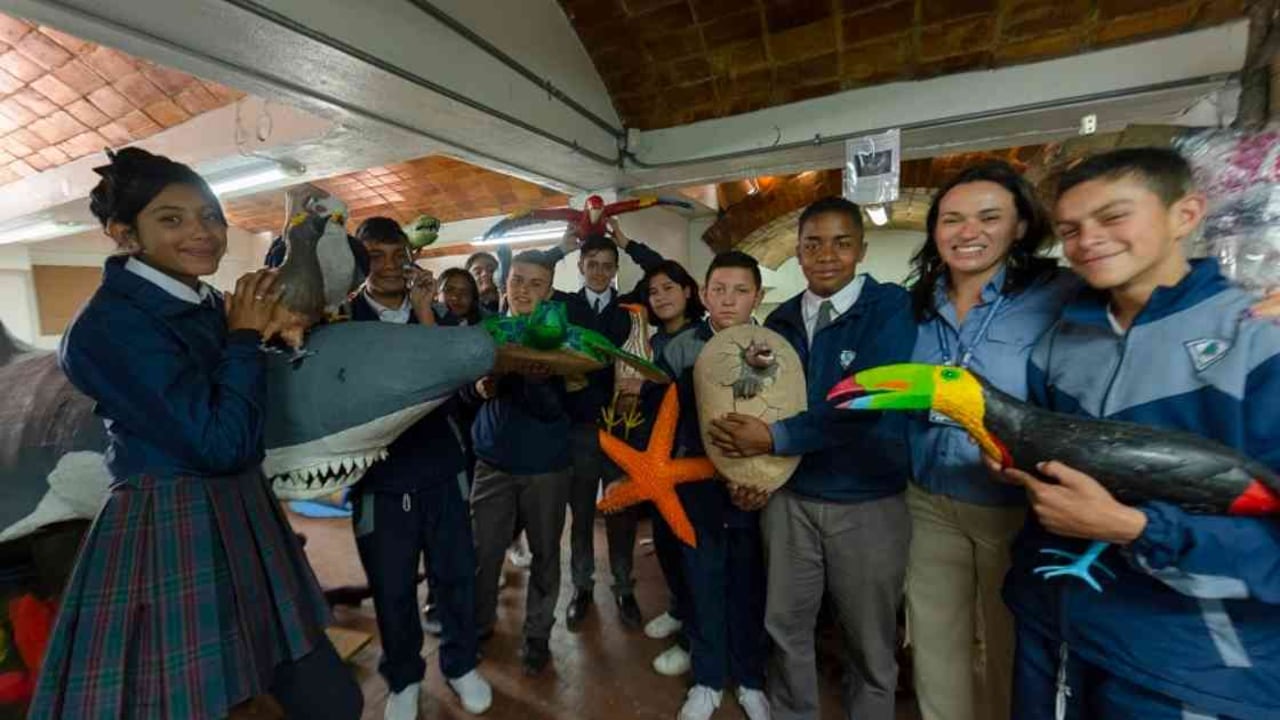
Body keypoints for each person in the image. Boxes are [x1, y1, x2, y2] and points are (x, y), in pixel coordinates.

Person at [31, 147, 362, 720]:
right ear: (125, 235)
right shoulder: (105, 327)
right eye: (172, 218)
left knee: (329, 697)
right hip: (169, 519)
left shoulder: (206, 301)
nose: (202, 232)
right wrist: (244, 338)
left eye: (211, 215)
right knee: (196, 700)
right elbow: (219, 443)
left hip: (244, 507)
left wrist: (267, 335)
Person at [1001, 148, 1280, 719]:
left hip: (1188, 662)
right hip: (1057, 629)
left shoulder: (1258, 334)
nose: (1088, 240)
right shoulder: (1062, 340)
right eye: (1070, 230)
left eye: (1113, 217)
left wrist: (1134, 528)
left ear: (1185, 214)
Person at [709, 197, 916, 720]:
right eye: (812, 244)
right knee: (786, 627)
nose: (826, 255)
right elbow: (758, 405)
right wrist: (749, 474)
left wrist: (772, 439)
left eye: (841, 243)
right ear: (797, 252)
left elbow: (866, 401)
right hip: (791, 497)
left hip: (867, 501)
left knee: (869, 640)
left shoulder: (890, 308)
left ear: (861, 249)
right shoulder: (779, 322)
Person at [901, 162, 1072, 720]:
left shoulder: (1058, 294)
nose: (967, 232)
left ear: (1020, 226)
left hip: (1014, 504)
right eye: (951, 219)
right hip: (927, 499)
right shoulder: (916, 303)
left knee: (1010, 643)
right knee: (934, 640)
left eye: (988, 217)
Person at [345, 215, 492, 719]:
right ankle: (404, 678)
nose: (389, 266)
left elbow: (458, 390)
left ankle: (461, 664)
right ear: (359, 262)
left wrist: (427, 313)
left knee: (456, 577)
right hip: (379, 482)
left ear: (411, 258)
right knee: (391, 587)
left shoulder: (440, 318)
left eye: (397, 255)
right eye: (375, 256)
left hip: (442, 472)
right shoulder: (340, 322)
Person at [658, 251, 769, 720]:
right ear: (703, 295)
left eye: (740, 291)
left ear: (757, 297)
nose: (728, 300)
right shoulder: (680, 349)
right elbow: (664, 423)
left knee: (748, 586)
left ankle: (749, 680)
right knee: (701, 584)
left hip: (755, 490)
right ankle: (706, 681)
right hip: (696, 488)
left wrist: (764, 480)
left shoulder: (775, 349)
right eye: (718, 290)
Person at [554, 219, 666, 633]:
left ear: (616, 269)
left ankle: (623, 586)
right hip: (580, 427)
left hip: (623, 426)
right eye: (593, 264)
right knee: (581, 512)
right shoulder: (564, 305)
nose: (600, 272)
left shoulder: (630, 306)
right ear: (581, 265)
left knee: (621, 511)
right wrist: (560, 248)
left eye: (607, 265)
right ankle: (581, 587)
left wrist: (626, 241)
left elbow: (660, 270)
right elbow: (530, 274)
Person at [468, 249, 573, 676]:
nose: (524, 290)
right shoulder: (487, 331)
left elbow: (559, 408)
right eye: (517, 280)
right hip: (492, 462)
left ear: (549, 290)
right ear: (504, 282)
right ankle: (477, 626)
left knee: (545, 554)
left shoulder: (564, 337)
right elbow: (462, 389)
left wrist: (533, 377)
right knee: (483, 553)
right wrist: (479, 388)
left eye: (535, 283)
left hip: (547, 467)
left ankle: (537, 635)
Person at [630, 260, 706, 677]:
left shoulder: (703, 339)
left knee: (692, 552)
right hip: (655, 463)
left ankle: (694, 640)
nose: (660, 297)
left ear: (688, 291)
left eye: (668, 288)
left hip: (691, 463)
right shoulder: (654, 342)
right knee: (666, 544)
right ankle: (678, 609)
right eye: (653, 291)